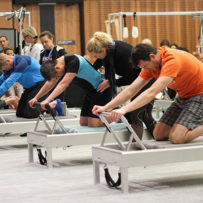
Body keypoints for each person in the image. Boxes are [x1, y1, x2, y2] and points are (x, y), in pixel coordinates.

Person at [93, 43, 203, 144]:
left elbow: (151, 92)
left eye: (145, 66)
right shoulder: (151, 63)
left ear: (152, 56)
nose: (145, 69)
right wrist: (106, 107)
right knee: (158, 134)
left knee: (177, 138)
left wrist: (124, 109)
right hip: (184, 95)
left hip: (200, 94)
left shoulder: (171, 61)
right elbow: (132, 89)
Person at [87, 31, 156, 138]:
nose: (98, 58)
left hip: (146, 80)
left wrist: (111, 82)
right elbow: (99, 62)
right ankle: (157, 139)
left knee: (136, 114)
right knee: (140, 116)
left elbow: (129, 78)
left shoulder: (122, 53)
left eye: (97, 55)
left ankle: (136, 147)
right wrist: (90, 70)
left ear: (103, 50)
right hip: (137, 81)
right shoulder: (108, 51)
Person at [29, 54, 112, 127]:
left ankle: (116, 116)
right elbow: (50, 83)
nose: (57, 78)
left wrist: (47, 100)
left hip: (101, 91)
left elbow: (64, 84)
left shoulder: (74, 61)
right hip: (90, 93)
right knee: (83, 123)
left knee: (93, 124)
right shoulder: (59, 65)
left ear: (57, 68)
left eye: (57, 76)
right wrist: (36, 97)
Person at [0, 53, 48, 118]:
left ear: (7, 61)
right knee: (19, 113)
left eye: (4, 68)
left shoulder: (22, 62)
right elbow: (2, 79)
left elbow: (8, 82)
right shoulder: (10, 66)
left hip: (41, 86)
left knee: (29, 114)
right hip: (30, 88)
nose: (4, 70)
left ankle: (52, 104)